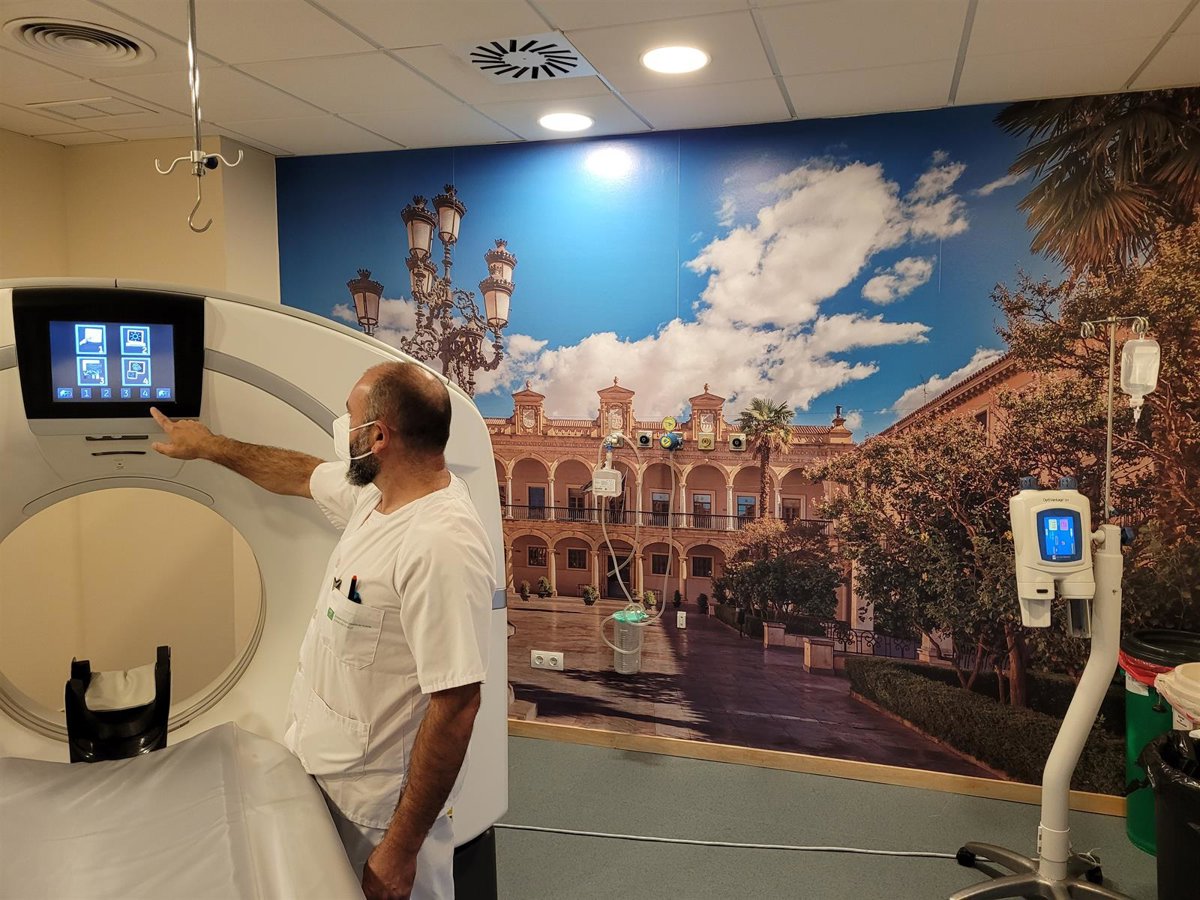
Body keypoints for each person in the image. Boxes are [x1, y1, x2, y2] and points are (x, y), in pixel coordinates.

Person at [149, 361, 495, 900]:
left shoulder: (439, 544)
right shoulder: (375, 494)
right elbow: (299, 473)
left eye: (349, 415)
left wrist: (400, 851)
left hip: (379, 811)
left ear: (378, 437)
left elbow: (457, 705)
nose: (341, 426)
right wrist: (210, 446)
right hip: (324, 776)